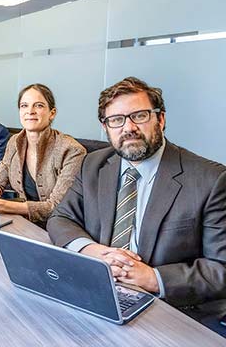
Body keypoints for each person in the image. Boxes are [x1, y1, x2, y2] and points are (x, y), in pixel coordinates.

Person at [47, 77, 226, 332]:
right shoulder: (93, 165)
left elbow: (221, 269)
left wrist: (154, 278)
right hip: (100, 293)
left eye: (139, 116)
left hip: (171, 311)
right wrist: (93, 251)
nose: (128, 127)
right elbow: (60, 218)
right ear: (106, 127)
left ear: (160, 119)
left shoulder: (209, 179)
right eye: (116, 120)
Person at [0, 84, 85, 226]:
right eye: (24, 106)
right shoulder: (14, 142)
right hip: (22, 222)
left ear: (52, 113)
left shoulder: (71, 150)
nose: (30, 111)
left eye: (38, 106)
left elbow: (55, 206)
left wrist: (1, 205)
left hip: (58, 227)